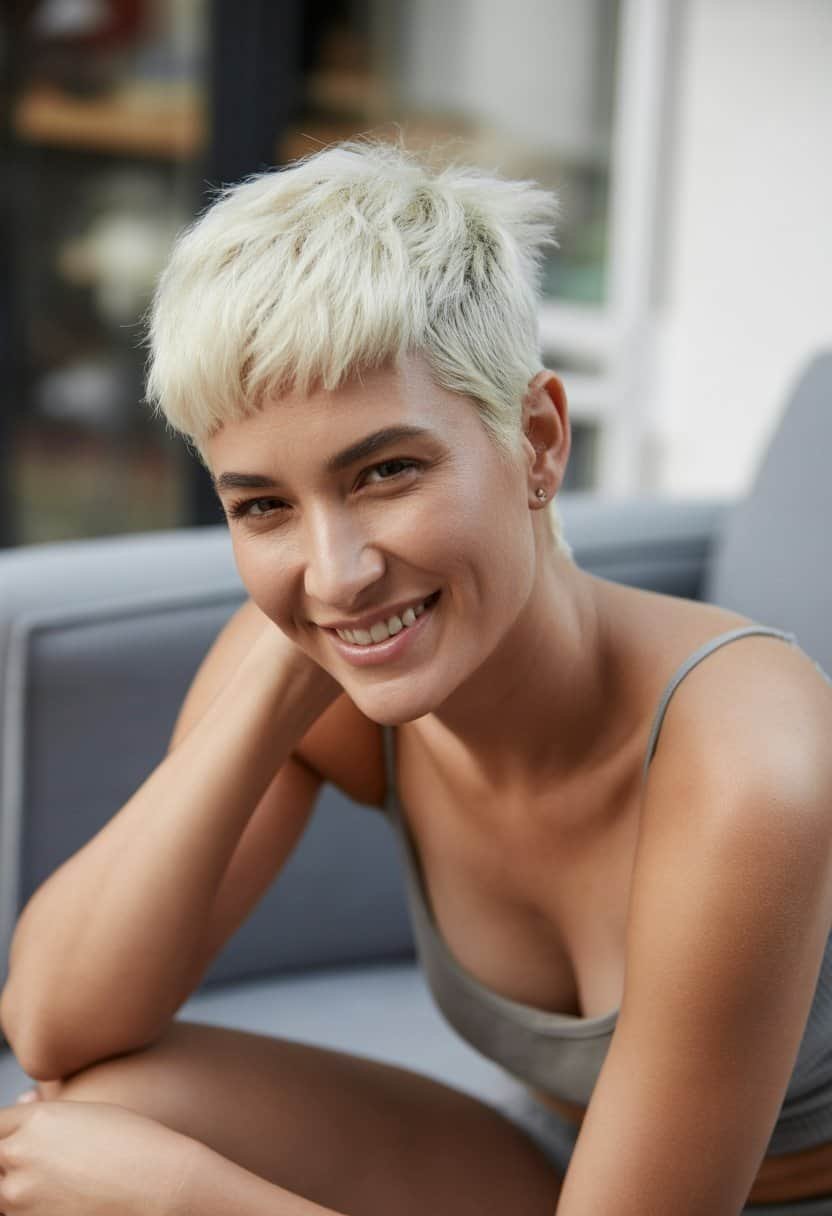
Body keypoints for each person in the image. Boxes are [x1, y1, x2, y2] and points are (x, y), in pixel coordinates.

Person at [2, 140, 832, 1216]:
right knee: (96, 1114)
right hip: (567, 1172)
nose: (336, 568)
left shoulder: (747, 758)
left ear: (535, 439)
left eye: (386, 471)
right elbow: (57, 1021)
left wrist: (187, 1197)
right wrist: (278, 670)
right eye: (262, 505)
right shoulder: (327, 658)